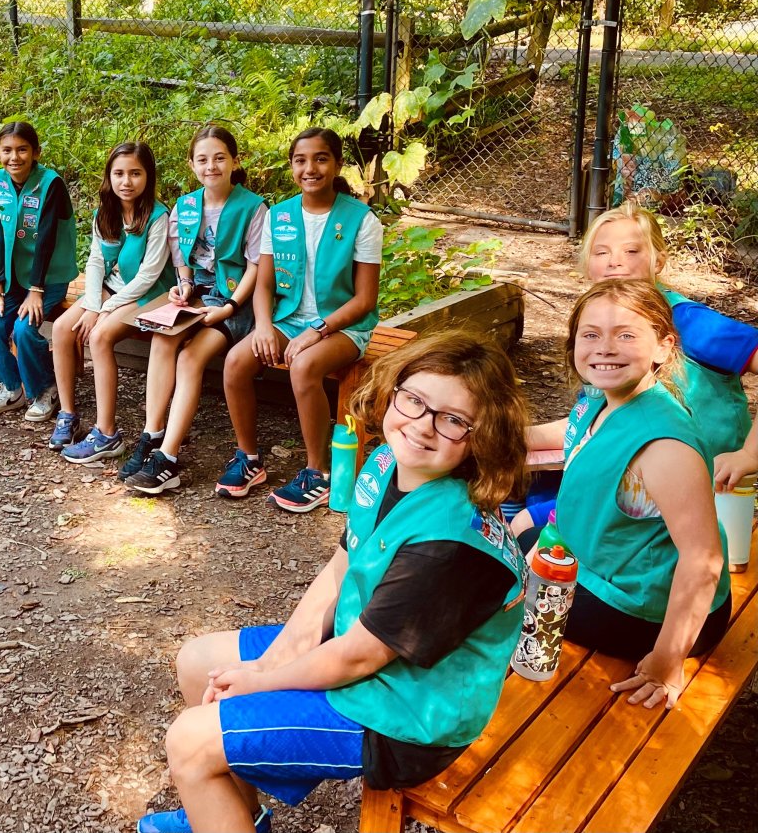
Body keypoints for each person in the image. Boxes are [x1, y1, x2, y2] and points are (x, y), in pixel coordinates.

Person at [145, 331, 529, 833]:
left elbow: (360, 657)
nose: (421, 426)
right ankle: (232, 816)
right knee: (199, 664)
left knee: (190, 741)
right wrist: (274, 659)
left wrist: (262, 681)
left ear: (482, 435)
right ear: (395, 390)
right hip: (367, 652)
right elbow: (340, 568)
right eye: (413, 399)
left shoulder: (450, 546)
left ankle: (213, 794)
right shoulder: (389, 461)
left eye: (453, 419)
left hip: (407, 717)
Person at [527, 280, 729, 707]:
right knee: (515, 540)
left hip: (648, 614)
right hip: (621, 573)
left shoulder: (665, 446)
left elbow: (703, 559)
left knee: (496, 565)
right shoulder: (604, 399)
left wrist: (666, 660)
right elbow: (577, 434)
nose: (605, 347)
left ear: (663, 348)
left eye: (626, 335)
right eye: (591, 334)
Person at [515, 199, 758, 534]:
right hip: (631, 482)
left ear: (658, 260)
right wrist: (513, 436)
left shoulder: (688, 321)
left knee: (529, 521)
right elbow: (594, 424)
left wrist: (749, 455)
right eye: (602, 252)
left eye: (631, 251)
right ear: (587, 266)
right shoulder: (601, 332)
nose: (615, 261)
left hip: (702, 494)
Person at [219, 128, 382, 508]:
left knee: (303, 366)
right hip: (288, 318)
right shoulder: (279, 215)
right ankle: (249, 459)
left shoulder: (361, 220)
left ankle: (318, 472)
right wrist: (262, 326)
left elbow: (364, 300)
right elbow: (263, 285)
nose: (310, 168)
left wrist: (317, 330)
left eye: (321, 158)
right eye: (301, 160)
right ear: (292, 166)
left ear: (338, 164)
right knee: (235, 362)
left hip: (344, 325)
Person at [124, 126, 266, 495]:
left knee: (190, 358)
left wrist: (230, 306)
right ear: (191, 164)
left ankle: (167, 459)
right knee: (162, 338)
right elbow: (182, 261)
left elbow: (255, 267)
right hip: (198, 297)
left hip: (235, 304)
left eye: (219, 158)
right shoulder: (185, 207)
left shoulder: (254, 207)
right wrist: (183, 285)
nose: (211, 166)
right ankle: (151, 436)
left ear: (235, 161)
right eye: (202, 159)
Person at [47, 141, 175, 464]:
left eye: (135, 173)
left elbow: (148, 276)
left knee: (100, 335)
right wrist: (92, 304)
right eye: (118, 173)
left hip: (151, 294)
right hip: (111, 290)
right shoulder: (105, 212)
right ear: (109, 176)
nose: (126, 181)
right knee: (63, 328)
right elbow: (94, 262)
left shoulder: (158, 216)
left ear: (148, 176)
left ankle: (107, 434)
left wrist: (103, 311)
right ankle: (68, 413)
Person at [0, 121, 78, 422]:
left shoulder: (50, 184)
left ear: (36, 153)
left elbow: (47, 238)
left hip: (49, 278)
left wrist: (36, 290)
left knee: (23, 327)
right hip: (12, 279)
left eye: (22, 150)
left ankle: (46, 388)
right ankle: (11, 388)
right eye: (7, 150)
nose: (14, 157)